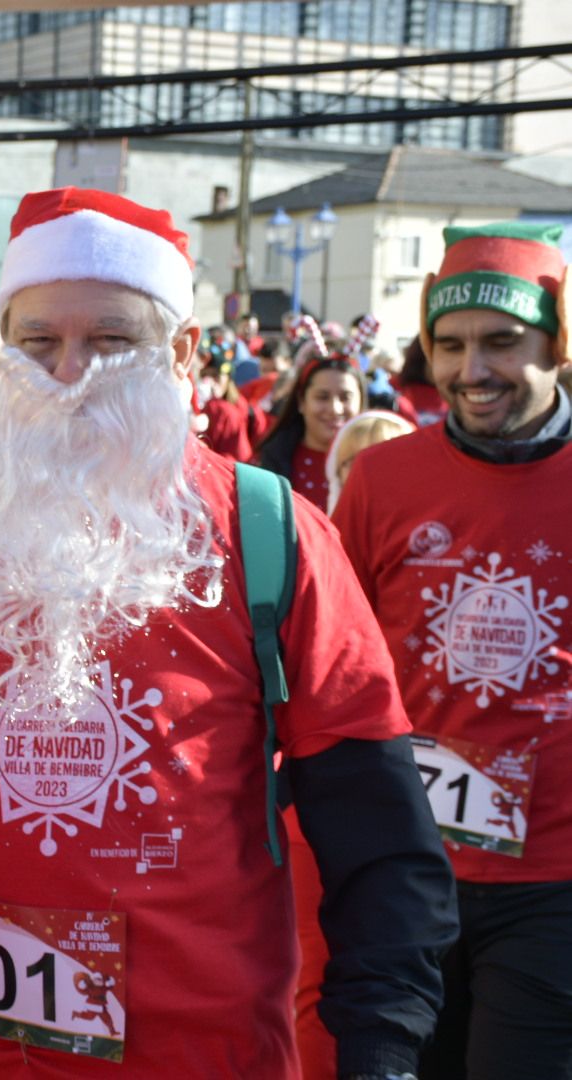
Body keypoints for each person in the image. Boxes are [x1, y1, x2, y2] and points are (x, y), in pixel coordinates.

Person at [0, 188, 456, 1079]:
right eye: (39, 342)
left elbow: (377, 831)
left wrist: (381, 1046)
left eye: (111, 342)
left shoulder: (270, 534)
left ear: (183, 353)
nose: (71, 373)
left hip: (202, 1055)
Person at [333, 222, 572, 1080]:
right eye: (451, 345)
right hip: (405, 869)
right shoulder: (382, 480)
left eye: (503, 344)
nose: (472, 372)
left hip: (556, 881)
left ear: (559, 345)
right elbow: (336, 663)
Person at [253, 349, 366, 510]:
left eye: (345, 397)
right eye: (322, 397)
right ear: (301, 401)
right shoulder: (269, 467)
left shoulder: (377, 464)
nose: (335, 409)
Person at [323, 410, 415, 514]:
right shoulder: (320, 529)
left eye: (384, 462)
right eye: (356, 462)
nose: (369, 474)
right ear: (338, 474)